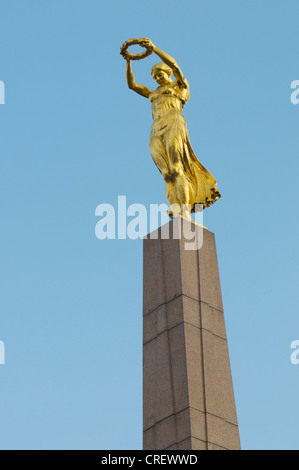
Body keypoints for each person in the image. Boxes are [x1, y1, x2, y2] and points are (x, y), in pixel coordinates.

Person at [124, 38, 221, 219]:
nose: (157, 77)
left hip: (174, 123)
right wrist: (128, 60)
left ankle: (185, 211)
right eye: (154, 76)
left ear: (167, 73)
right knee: (166, 173)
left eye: (160, 73)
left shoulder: (179, 86)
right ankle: (175, 209)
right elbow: (132, 85)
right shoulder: (153, 93)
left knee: (177, 168)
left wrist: (154, 49)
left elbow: (175, 65)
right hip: (156, 128)